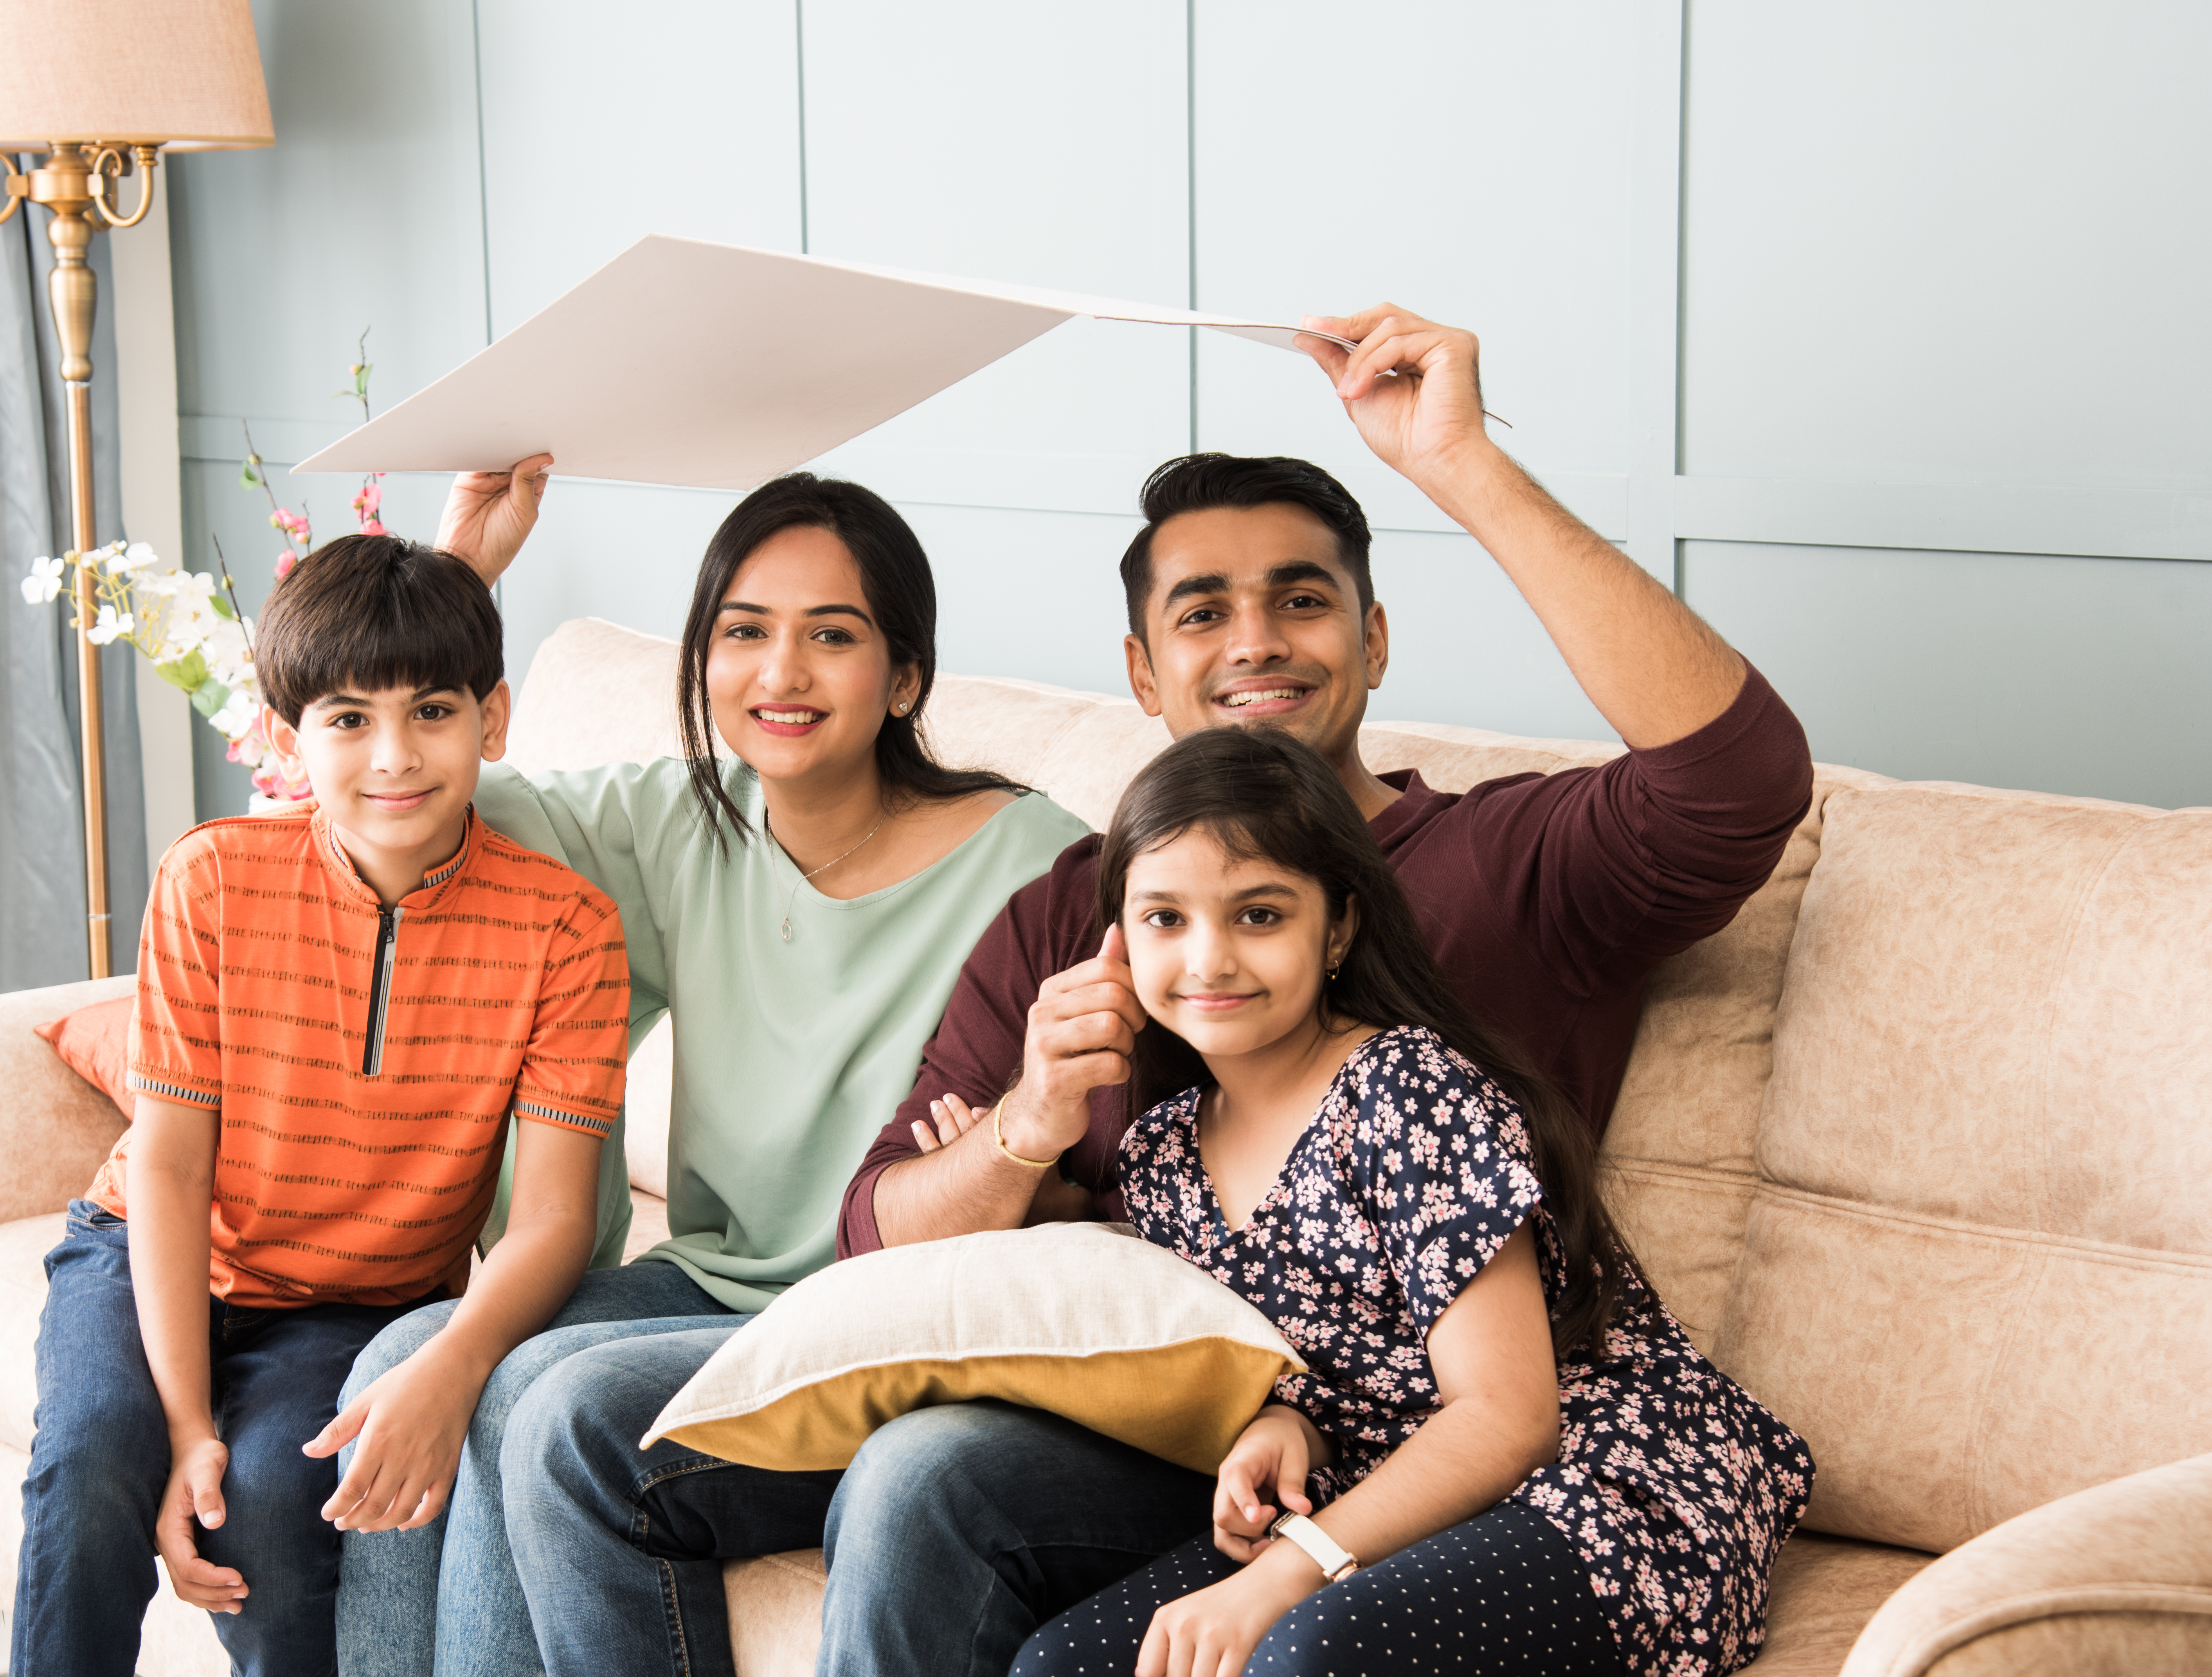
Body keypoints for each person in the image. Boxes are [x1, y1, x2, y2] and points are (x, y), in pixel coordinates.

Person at [495, 305, 1816, 1676]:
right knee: (584, 1419)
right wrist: (1021, 1130)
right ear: (1139, 668)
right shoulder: (1081, 919)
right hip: (1236, 1425)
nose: (1255, 641)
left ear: (1372, 640)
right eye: (1201, 612)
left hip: (1480, 1443)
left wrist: (1459, 463)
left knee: (925, 1481)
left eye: (1300, 601)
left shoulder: (1505, 864)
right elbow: (879, 1234)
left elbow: (1739, 780)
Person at [330, 473, 1094, 1673]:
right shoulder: (684, 817)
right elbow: (414, 789)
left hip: (883, 1310)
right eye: (743, 631)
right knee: (402, 1364)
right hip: (708, 1282)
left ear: (903, 678)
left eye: (831, 635)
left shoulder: (1037, 863)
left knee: (529, 1387)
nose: (779, 672)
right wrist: (458, 572)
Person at [1008, 726, 1810, 1677]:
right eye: (1165, 919)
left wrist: (1281, 1575)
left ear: (1338, 927)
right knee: (1063, 1664)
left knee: (1302, 1652)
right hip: (1383, 1495)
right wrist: (1286, 1424)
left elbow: (1512, 1416)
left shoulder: (1405, 1090)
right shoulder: (1161, 1155)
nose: (1210, 958)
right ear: (1118, 940)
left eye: (1259, 914)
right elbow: (1336, 1361)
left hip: (1593, 1483)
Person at [7, 535, 630, 1676]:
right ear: (291, 738)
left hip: (356, 1303)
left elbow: (554, 1220)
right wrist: (185, 1423)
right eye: (347, 719)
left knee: (278, 1513)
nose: (394, 756)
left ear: (493, 720)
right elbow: (169, 1166)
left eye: (431, 711)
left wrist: (452, 1358)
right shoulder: (212, 877)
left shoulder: (567, 927)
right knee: (92, 1459)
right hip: (152, 1248)